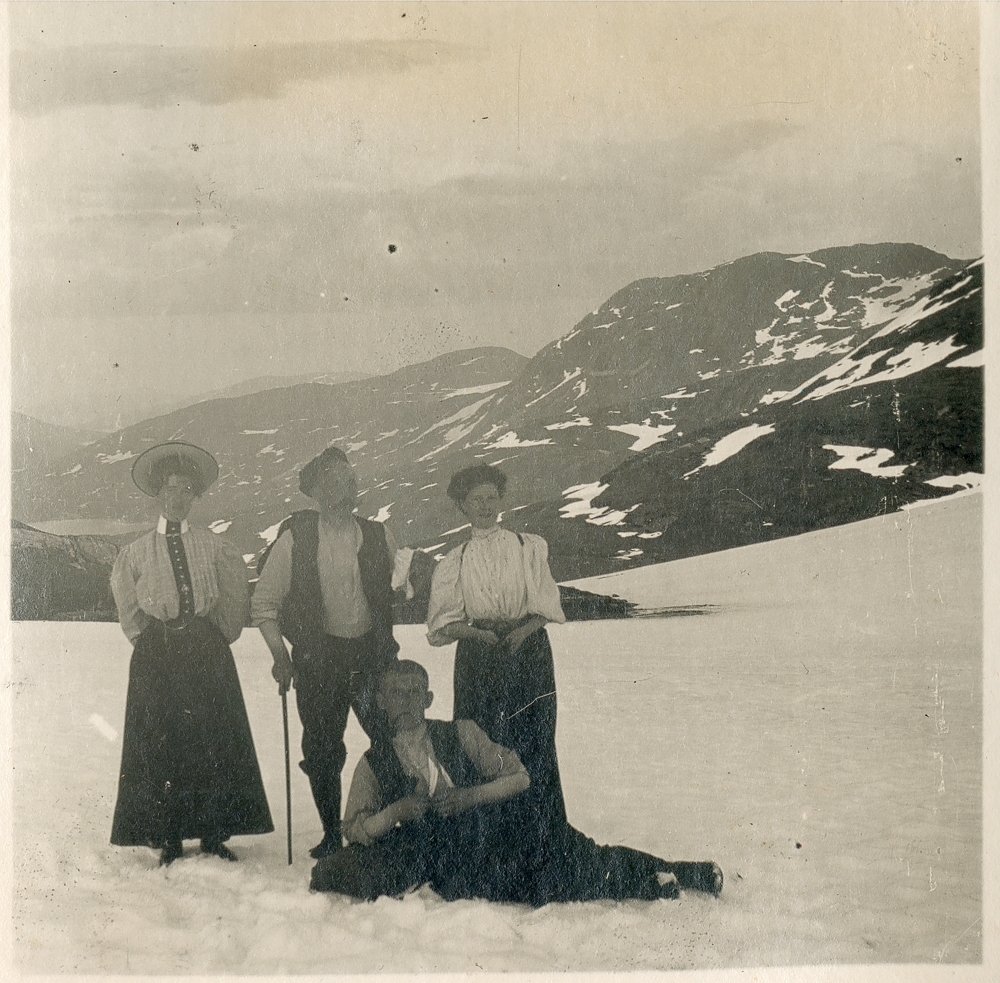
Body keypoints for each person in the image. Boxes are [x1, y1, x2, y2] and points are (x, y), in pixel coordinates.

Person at [310, 661, 720, 905]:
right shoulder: (372, 763)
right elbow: (355, 831)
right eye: (395, 694)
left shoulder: (462, 732)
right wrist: (397, 812)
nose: (405, 703)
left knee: (573, 856)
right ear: (379, 701)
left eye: (414, 693)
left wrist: (468, 797)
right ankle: (649, 884)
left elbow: (520, 777)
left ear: (429, 699)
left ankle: (677, 873)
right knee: (538, 884)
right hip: (445, 855)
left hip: (493, 831)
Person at [110, 442, 273, 866]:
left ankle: (214, 833)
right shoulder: (135, 552)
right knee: (161, 741)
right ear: (157, 495)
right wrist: (151, 642)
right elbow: (128, 609)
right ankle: (167, 837)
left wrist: (215, 635)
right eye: (169, 489)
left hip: (206, 651)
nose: (177, 497)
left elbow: (234, 593)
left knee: (213, 738)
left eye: (185, 489)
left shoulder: (213, 546)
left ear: (195, 496)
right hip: (157, 654)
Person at [252, 445, 400, 859]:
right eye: (335, 480)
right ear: (315, 491)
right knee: (321, 750)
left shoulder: (378, 535)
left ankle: (388, 823)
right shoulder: (295, 540)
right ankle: (331, 835)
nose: (347, 487)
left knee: (390, 740)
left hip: (371, 658)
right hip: (318, 662)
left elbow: (392, 591)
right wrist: (280, 656)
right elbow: (264, 606)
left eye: (351, 479)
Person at [425, 463, 568, 847]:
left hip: (528, 651)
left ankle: (542, 833)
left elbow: (546, 607)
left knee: (535, 737)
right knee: (480, 739)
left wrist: (522, 631)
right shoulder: (454, 560)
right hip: (478, 655)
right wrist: (478, 635)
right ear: (463, 507)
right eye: (476, 500)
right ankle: (488, 837)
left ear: (501, 501)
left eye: (491, 498)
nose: (485, 506)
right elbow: (443, 624)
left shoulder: (528, 547)